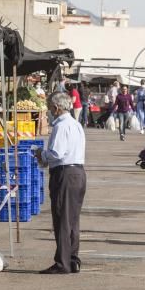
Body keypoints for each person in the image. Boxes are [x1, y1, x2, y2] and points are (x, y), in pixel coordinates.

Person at [36, 91, 86, 274]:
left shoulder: (61, 126)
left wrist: (41, 154)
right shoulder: (76, 124)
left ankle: (62, 262)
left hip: (65, 173)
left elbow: (56, 153)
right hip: (78, 172)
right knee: (72, 220)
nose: (49, 111)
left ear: (56, 108)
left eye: (50, 107)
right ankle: (72, 259)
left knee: (63, 219)